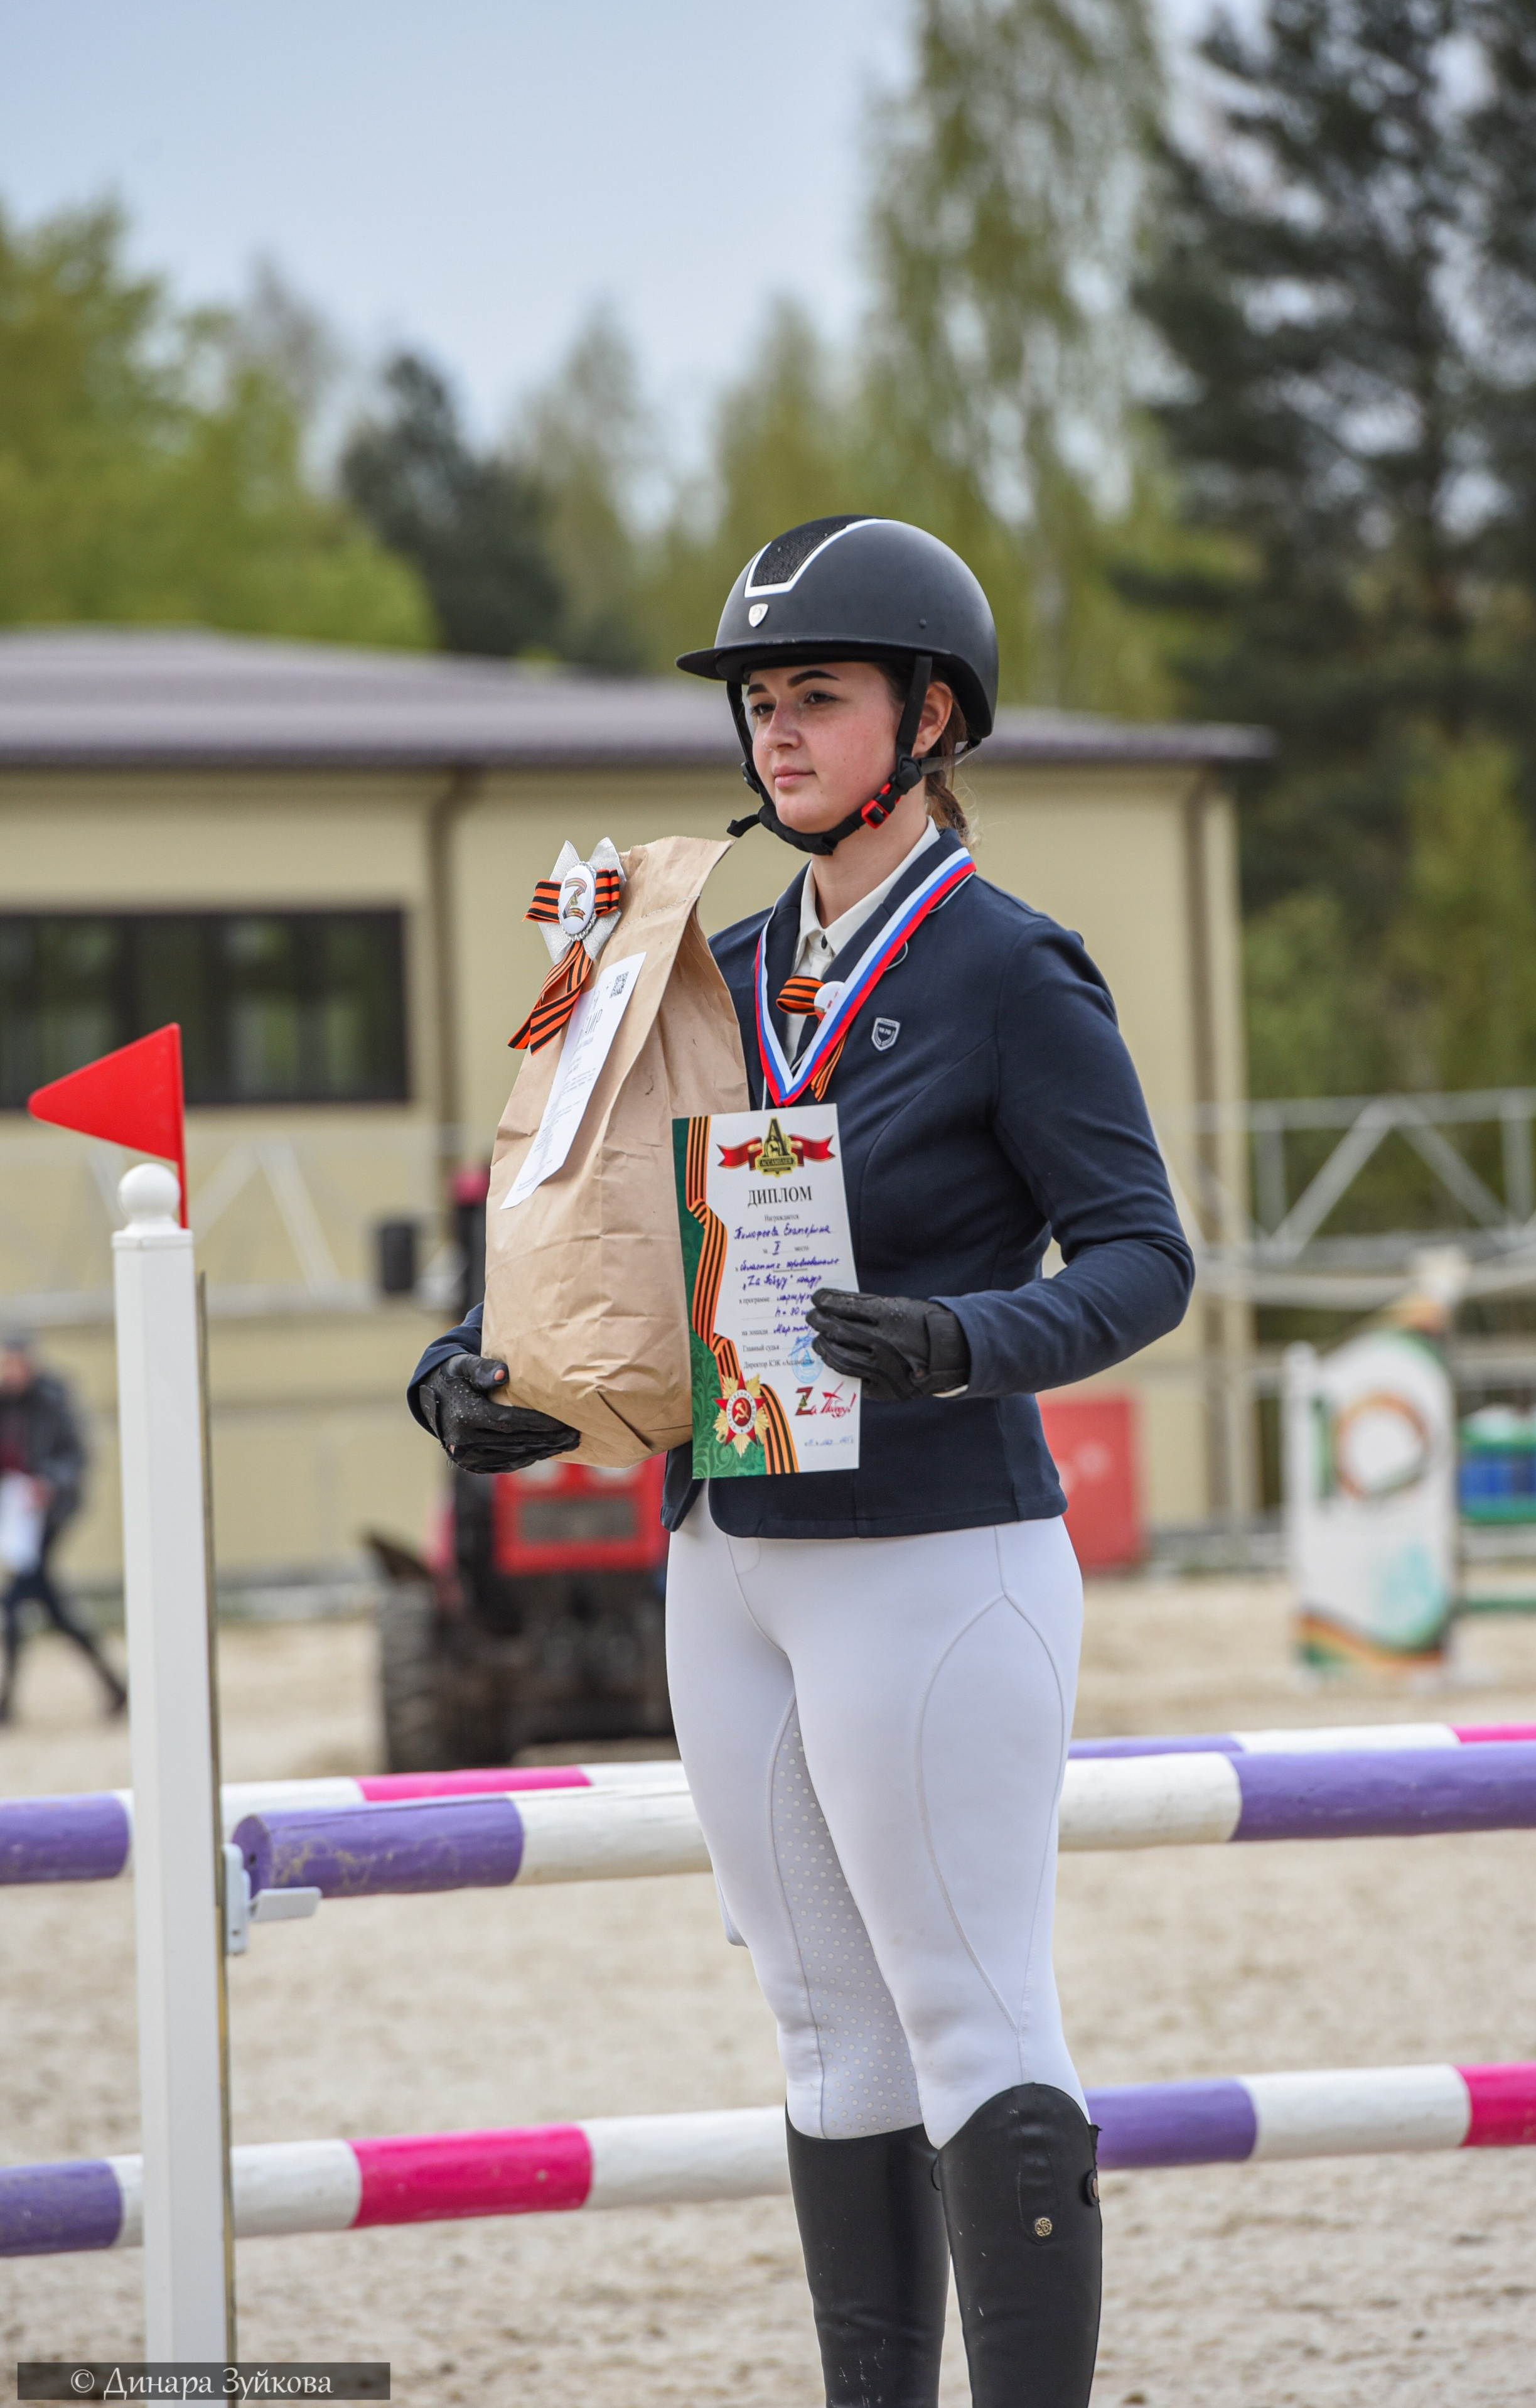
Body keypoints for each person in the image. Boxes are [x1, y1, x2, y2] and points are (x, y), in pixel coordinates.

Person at [408, 517, 1193, 2408]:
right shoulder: (699, 964)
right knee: (823, 2030)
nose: (777, 731)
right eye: (761, 702)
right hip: (726, 1555)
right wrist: (469, 1364)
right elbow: (581, 1210)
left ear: (929, 717)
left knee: (965, 2011)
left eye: (815, 697)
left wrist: (964, 1339)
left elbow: (1144, 1256)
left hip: (931, 1553)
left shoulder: (1012, 971)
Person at [0, 1332, 126, 1722]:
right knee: (49, 1605)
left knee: (17, 1603)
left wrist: (48, 1484)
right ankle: (116, 1687)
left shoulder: (53, 1400)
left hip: (46, 1516)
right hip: (12, 1516)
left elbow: (77, 1456)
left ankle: (6, 1706)